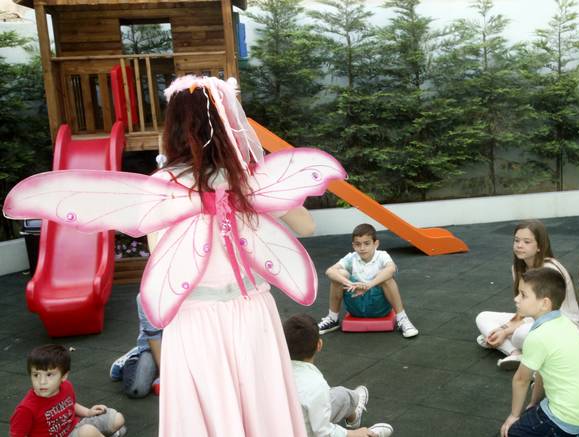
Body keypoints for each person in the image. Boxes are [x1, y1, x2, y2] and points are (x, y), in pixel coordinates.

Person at [149, 76, 322, 436]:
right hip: (251, 311)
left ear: (174, 127)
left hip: (194, 319)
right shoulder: (248, 180)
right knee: (263, 409)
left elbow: (157, 256)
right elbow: (306, 225)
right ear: (227, 122)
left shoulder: (162, 186)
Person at [500, 268, 579, 437]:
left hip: (567, 418)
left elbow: (521, 379)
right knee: (534, 413)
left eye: (523, 295)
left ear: (544, 303)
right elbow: (542, 372)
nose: (516, 298)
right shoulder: (566, 323)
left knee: (513, 432)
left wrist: (513, 416)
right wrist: (534, 403)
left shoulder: (538, 336)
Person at [475, 220, 579, 370]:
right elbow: (525, 310)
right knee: (483, 317)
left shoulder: (549, 270)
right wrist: (504, 329)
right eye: (516, 240)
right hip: (535, 319)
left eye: (526, 241)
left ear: (539, 246)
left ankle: (507, 343)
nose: (519, 245)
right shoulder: (518, 268)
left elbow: (545, 314)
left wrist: (505, 330)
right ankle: (515, 353)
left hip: (561, 324)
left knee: (520, 334)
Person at [284, 314, 394, 437]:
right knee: (340, 400)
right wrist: (355, 434)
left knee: (341, 396)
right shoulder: (315, 384)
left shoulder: (270, 372)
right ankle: (367, 434)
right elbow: (323, 433)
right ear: (319, 345)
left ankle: (354, 417)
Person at [317, 223, 418, 338]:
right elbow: (330, 271)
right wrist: (351, 284)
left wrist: (368, 285)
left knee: (385, 276)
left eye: (366, 243)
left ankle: (402, 318)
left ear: (376, 244)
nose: (362, 248)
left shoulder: (382, 256)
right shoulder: (351, 257)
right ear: (353, 246)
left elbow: (391, 269)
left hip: (379, 307)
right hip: (356, 305)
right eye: (358, 244)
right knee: (339, 274)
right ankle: (333, 318)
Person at [10, 344, 127, 437]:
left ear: (64, 376)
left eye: (49, 374)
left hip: (74, 428)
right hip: (81, 432)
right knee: (88, 432)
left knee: (117, 419)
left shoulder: (66, 386)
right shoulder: (25, 410)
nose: (42, 381)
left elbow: (71, 404)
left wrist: (88, 412)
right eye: (36, 375)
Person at [109, 293, 162, 398]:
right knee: (137, 389)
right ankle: (133, 357)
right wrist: (164, 374)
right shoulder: (147, 296)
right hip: (154, 346)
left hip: (181, 346)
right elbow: (154, 336)